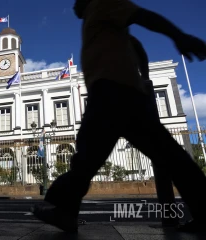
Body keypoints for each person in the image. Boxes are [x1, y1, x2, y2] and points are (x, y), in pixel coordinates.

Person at [31, 0, 206, 233]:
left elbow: (144, 16)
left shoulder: (102, 4)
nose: (74, 5)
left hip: (112, 92)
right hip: (118, 93)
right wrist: (142, 77)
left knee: (88, 157)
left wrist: (178, 36)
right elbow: (136, 45)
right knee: (164, 154)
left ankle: (64, 209)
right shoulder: (99, 18)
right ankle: (65, 211)